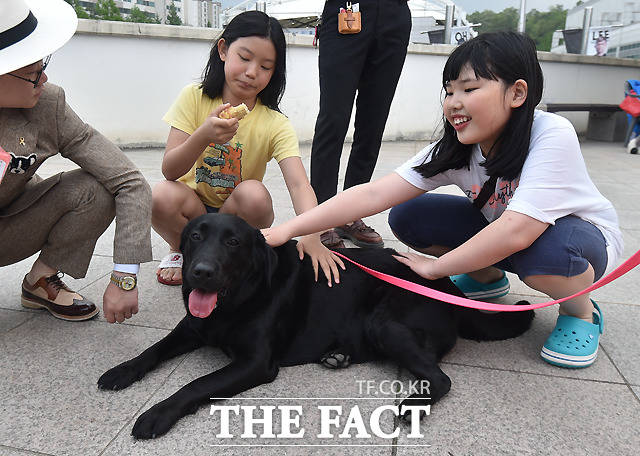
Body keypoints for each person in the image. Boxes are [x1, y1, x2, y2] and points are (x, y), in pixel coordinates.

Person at [262, 32, 623, 369]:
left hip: (576, 242)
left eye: (469, 88)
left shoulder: (550, 135)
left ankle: (581, 312)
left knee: (549, 255)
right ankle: (486, 278)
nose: (453, 103)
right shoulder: (456, 148)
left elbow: (519, 230)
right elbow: (373, 194)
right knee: (410, 216)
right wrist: (288, 230)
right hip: (506, 233)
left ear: (516, 93)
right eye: (449, 91)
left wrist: (438, 268)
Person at [152, 11, 343, 287]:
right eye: (244, 58)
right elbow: (170, 170)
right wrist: (204, 134)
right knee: (160, 194)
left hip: (237, 217)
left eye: (266, 67)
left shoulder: (275, 123)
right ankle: (183, 251)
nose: (252, 72)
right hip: (193, 212)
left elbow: (299, 185)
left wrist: (312, 235)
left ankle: (229, 257)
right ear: (223, 50)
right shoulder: (194, 97)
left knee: (254, 193)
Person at [0, 0, 153, 323]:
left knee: (93, 189)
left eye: (43, 65)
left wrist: (124, 277)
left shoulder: (48, 105)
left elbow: (129, 181)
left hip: (10, 226)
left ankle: (41, 281)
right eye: (32, 73)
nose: (43, 79)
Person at [310, 0, 412, 249]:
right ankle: (319, 218)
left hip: (395, 15)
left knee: (373, 124)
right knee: (333, 120)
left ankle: (350, 215)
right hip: (347, 9)